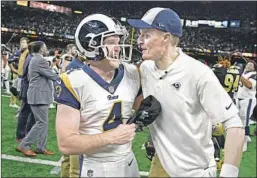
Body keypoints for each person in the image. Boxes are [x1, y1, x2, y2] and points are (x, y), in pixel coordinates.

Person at [128, 7, 244, 177]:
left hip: (195, 170)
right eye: (140, 34)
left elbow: (235, 126)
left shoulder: (198, 73)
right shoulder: (146, 68)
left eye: (146, 35)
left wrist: (228, 174)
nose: (139, 40)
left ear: (166, 38)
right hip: (162, 164)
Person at [55, 14, 140, 177]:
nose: (118, 47)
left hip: (129, 161)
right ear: (91, 45)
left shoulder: (133, 73)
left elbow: (143, 106)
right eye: (111, 42)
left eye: (118, 42)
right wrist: (112, 137)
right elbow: (66, 144)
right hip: (95, 166)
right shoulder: (74, 81)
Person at [16, 41, 58, 157]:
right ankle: (24, 144)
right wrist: (65, 76)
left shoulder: (34, 59)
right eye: (45, 47)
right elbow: (52, 75)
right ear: (40, 49)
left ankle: (41, 147)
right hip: (39, 95)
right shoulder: (39, 60)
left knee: (43, 123)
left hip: (38, 94)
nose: (46, 48)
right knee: (41, 123)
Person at [16, 42, 36, 142]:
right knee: (25, 113)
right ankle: (20, 135)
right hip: (28, 89)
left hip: (28, 88)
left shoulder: (29, 57)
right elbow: (29, 76)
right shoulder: (31, 58)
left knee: (27, 113)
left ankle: (24, 134)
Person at [236, 60, 256, 152]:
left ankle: (244, 142)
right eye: (248, 64)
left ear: (254, 68)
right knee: (240, 119)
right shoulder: (244, 73)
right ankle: (246, 137)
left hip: (248, 100)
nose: (248, 65)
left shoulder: (254, 74)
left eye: (251, 65)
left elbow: (249, 85)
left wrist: (239, 75)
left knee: (245, 120)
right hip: (239, 98)